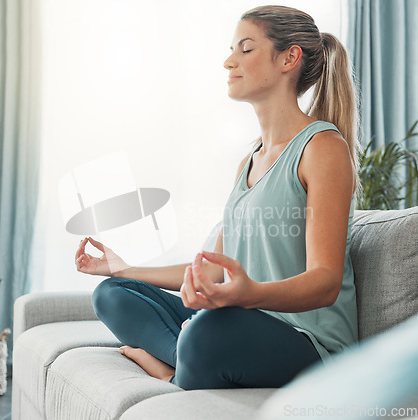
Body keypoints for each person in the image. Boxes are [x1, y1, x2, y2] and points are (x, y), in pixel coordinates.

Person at [74, 5, 360, 390]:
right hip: (243, 322)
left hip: (310, 345)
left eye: (245, 49)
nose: (229, 62)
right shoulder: (250, 161)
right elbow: (210, 271)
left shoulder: (322, 148)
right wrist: (124, 268)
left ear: (289, 58)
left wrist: (248, 296)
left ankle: (174, 368)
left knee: (207, 331)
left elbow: (325, 282)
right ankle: (186, 356)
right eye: (231, 50)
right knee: (112, 294)